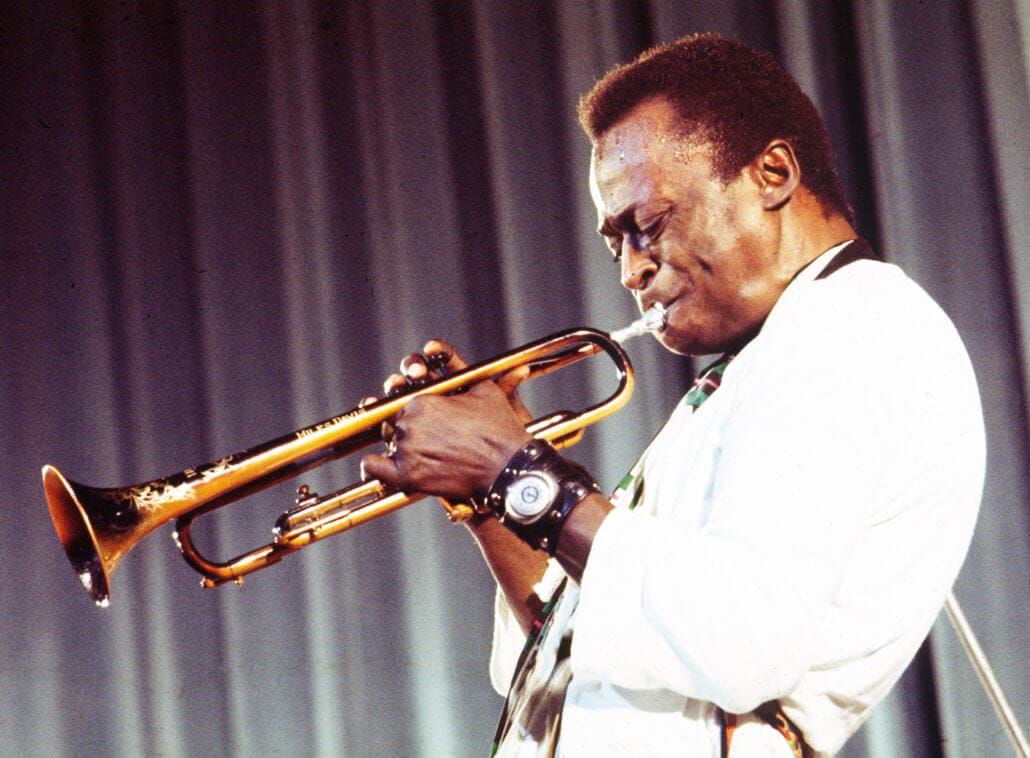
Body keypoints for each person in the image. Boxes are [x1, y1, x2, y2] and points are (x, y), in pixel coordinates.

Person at [360, 33, 985, 756]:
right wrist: (490, 498)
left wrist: (516, 468)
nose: (630, 270)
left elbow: (742, 638)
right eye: (614, 242)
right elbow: (580, 631)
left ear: (773, 172)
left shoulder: (856, 325)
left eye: (647, 226)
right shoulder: (763, 362)